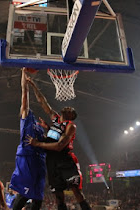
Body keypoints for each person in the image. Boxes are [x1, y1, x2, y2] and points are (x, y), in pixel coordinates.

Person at [25, 77, 91, 210]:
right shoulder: (55, 119)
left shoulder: (70, 126)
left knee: (76, 190)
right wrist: (33, 84)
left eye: (71, 109)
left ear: (71, 116)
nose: (68, 107)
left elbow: (59, 146)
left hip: (64, 158)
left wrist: (37, 143)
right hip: (51, 160)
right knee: (58, 196)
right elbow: (42, 102)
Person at [9, 68, 47, 210]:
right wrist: (23, 74)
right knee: (24, 193)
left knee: (38, 198)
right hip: (27, 156)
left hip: (40, 160)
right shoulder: (26, 118)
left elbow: (49, 142)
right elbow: (24, 93)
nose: (24, 106)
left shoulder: (39, 126)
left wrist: (48, 128)